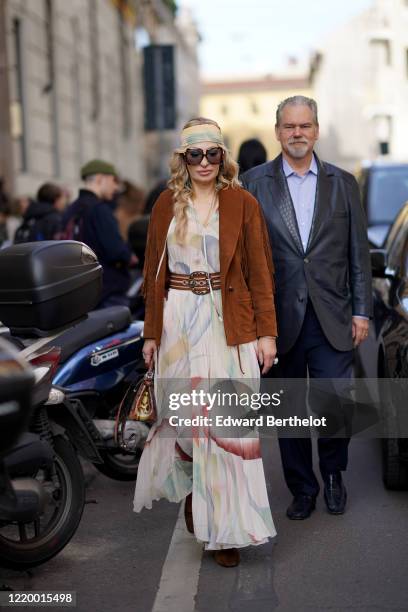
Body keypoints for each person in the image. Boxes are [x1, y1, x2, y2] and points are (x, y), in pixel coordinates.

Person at [133, 117, 278, 567]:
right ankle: (197, 491)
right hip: (179, 321)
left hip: (227, 322)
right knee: (185, 426)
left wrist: (267, 333)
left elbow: (260, 273)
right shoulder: (164, 206)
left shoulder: (242, 204)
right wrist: (152, 333)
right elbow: (152, 277)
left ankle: (226, 531)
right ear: (183, 159)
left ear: (223, 157)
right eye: (194, 154)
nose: (204, 162)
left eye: (212, 153)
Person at [241, 96, 372, 520]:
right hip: (279, 319)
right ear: (277, 131)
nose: (297, 133)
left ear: (316, 130)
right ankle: (302, 488)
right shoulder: (254, 183)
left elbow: (357, 251)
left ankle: (333, 474)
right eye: (289, 126)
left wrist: (362, 310)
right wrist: (255, 324)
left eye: (305, 125)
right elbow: (246, 258)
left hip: (333, 315)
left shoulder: (343, 182)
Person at [62, 159, 134, 308]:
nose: (116, 186)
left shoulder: (71, 209)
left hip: (78, 290)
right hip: (107, 292)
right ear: (101, 178)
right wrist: (130, 256)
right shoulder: (99, 210)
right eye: (114, 180)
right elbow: (116, 251)